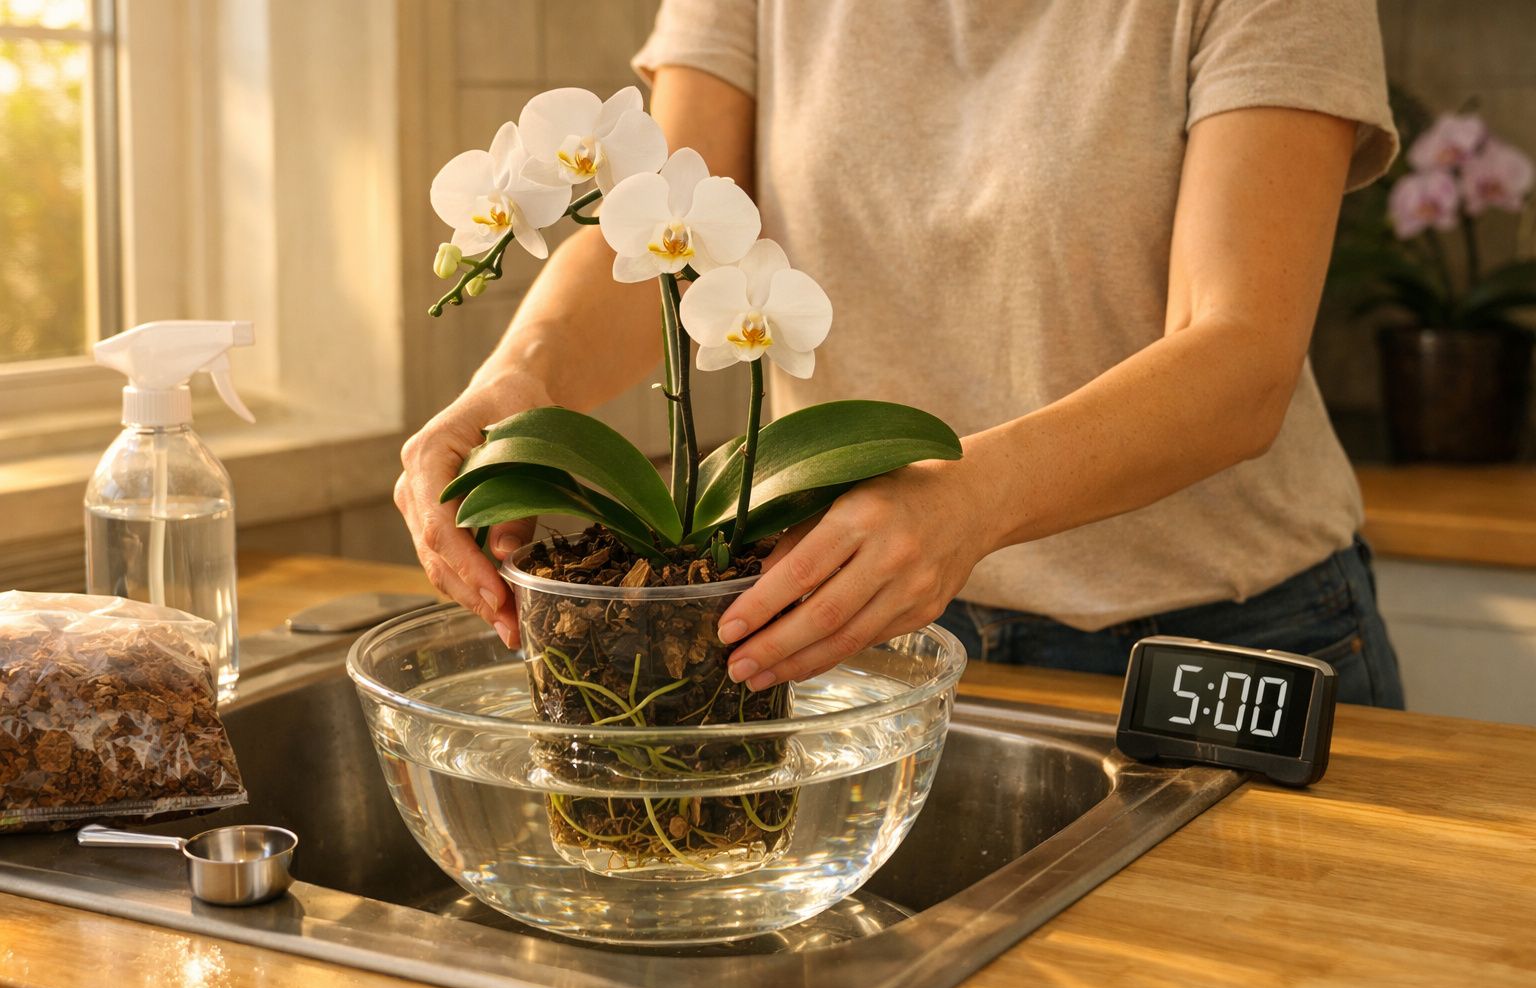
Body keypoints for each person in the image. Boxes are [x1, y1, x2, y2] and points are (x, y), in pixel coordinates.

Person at [395, 0, 1406, 708]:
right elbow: (664, 232)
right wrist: (518, 383)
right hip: (852, 635)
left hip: (1213, 642)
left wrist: (969, 500)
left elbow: (1240, 358)